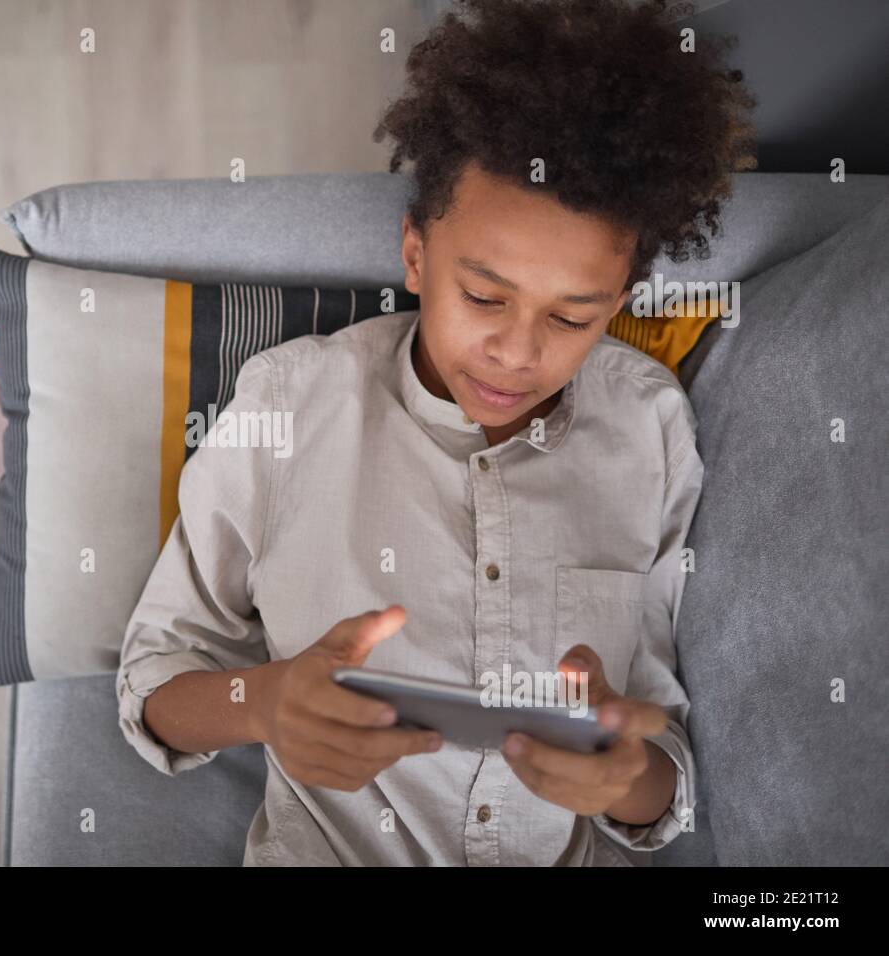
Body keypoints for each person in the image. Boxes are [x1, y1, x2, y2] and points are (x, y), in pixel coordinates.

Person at [117, 0, 756, 865]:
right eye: (485, 297)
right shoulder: (290, 407)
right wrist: (264, 703)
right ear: (415, 254)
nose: (518, 352)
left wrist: (624, 775)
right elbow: (154, 682)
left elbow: (657, 767)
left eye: (572, 317)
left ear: (619, 302)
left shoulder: (648, 425)